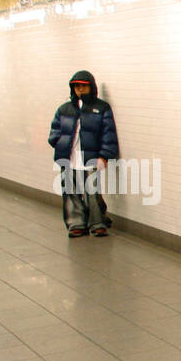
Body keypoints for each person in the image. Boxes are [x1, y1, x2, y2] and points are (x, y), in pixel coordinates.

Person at [48, 70, 118, 237]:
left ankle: (97, 222)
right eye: (77, 86)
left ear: (91, 87)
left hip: (91, 157)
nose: (80, 89)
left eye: (83, 86)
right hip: (69, 157)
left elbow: (109, 134)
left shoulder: (101, 108)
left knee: (92, 191)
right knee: (71, 191)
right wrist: (58, 143)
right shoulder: (64, 109)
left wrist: (105, 155)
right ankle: (76, 223)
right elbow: (54, 131)